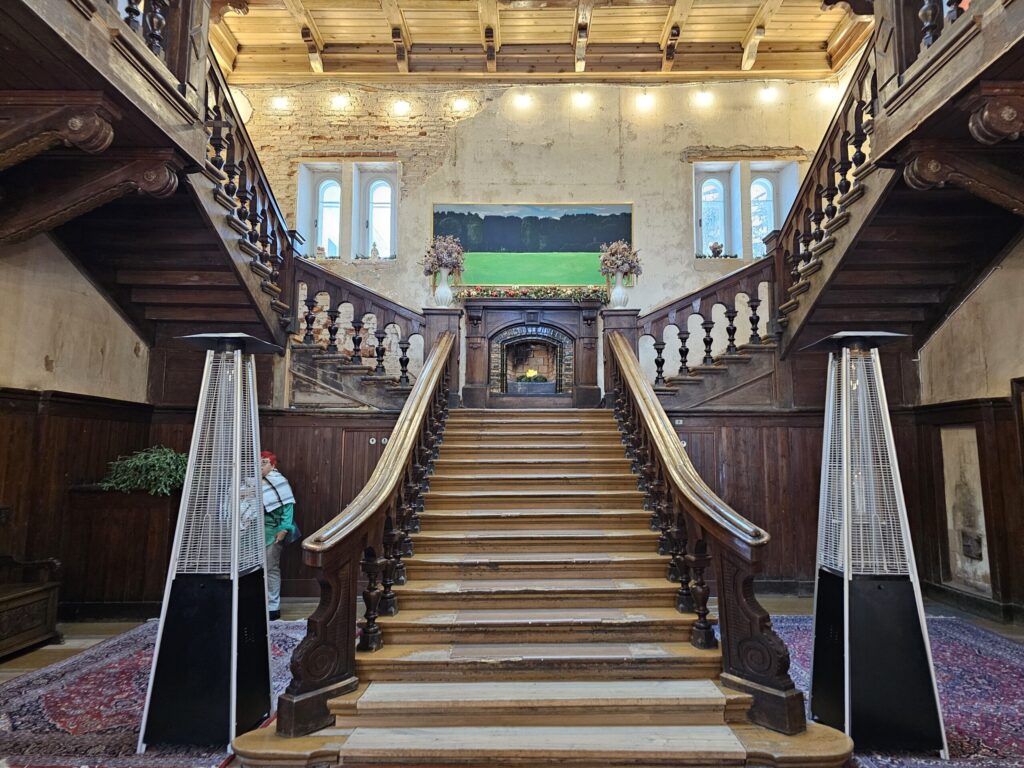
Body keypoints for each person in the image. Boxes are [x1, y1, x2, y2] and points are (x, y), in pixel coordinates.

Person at [261, 450, 295, 621]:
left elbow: (288, 507)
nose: (261, 466)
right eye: (258, 462)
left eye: (264, 462)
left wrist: (284, 530)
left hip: (272, 532)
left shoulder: (280, 483)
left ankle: (272, 606)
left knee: (271, 568)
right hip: (249, 532)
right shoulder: (248, 481)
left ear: (273, 465)